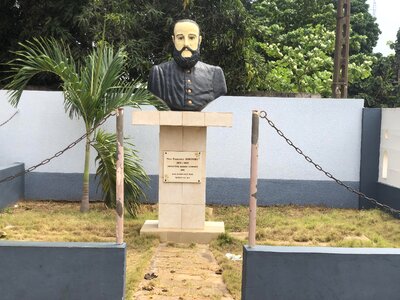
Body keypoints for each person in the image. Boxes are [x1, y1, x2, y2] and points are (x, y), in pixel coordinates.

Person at [148, 19, 227, 111]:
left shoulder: (214, 74)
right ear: (174, 40)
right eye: (180, 38)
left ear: (199, 40)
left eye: (192, 38)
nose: (186, 43)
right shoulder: (159, 73)